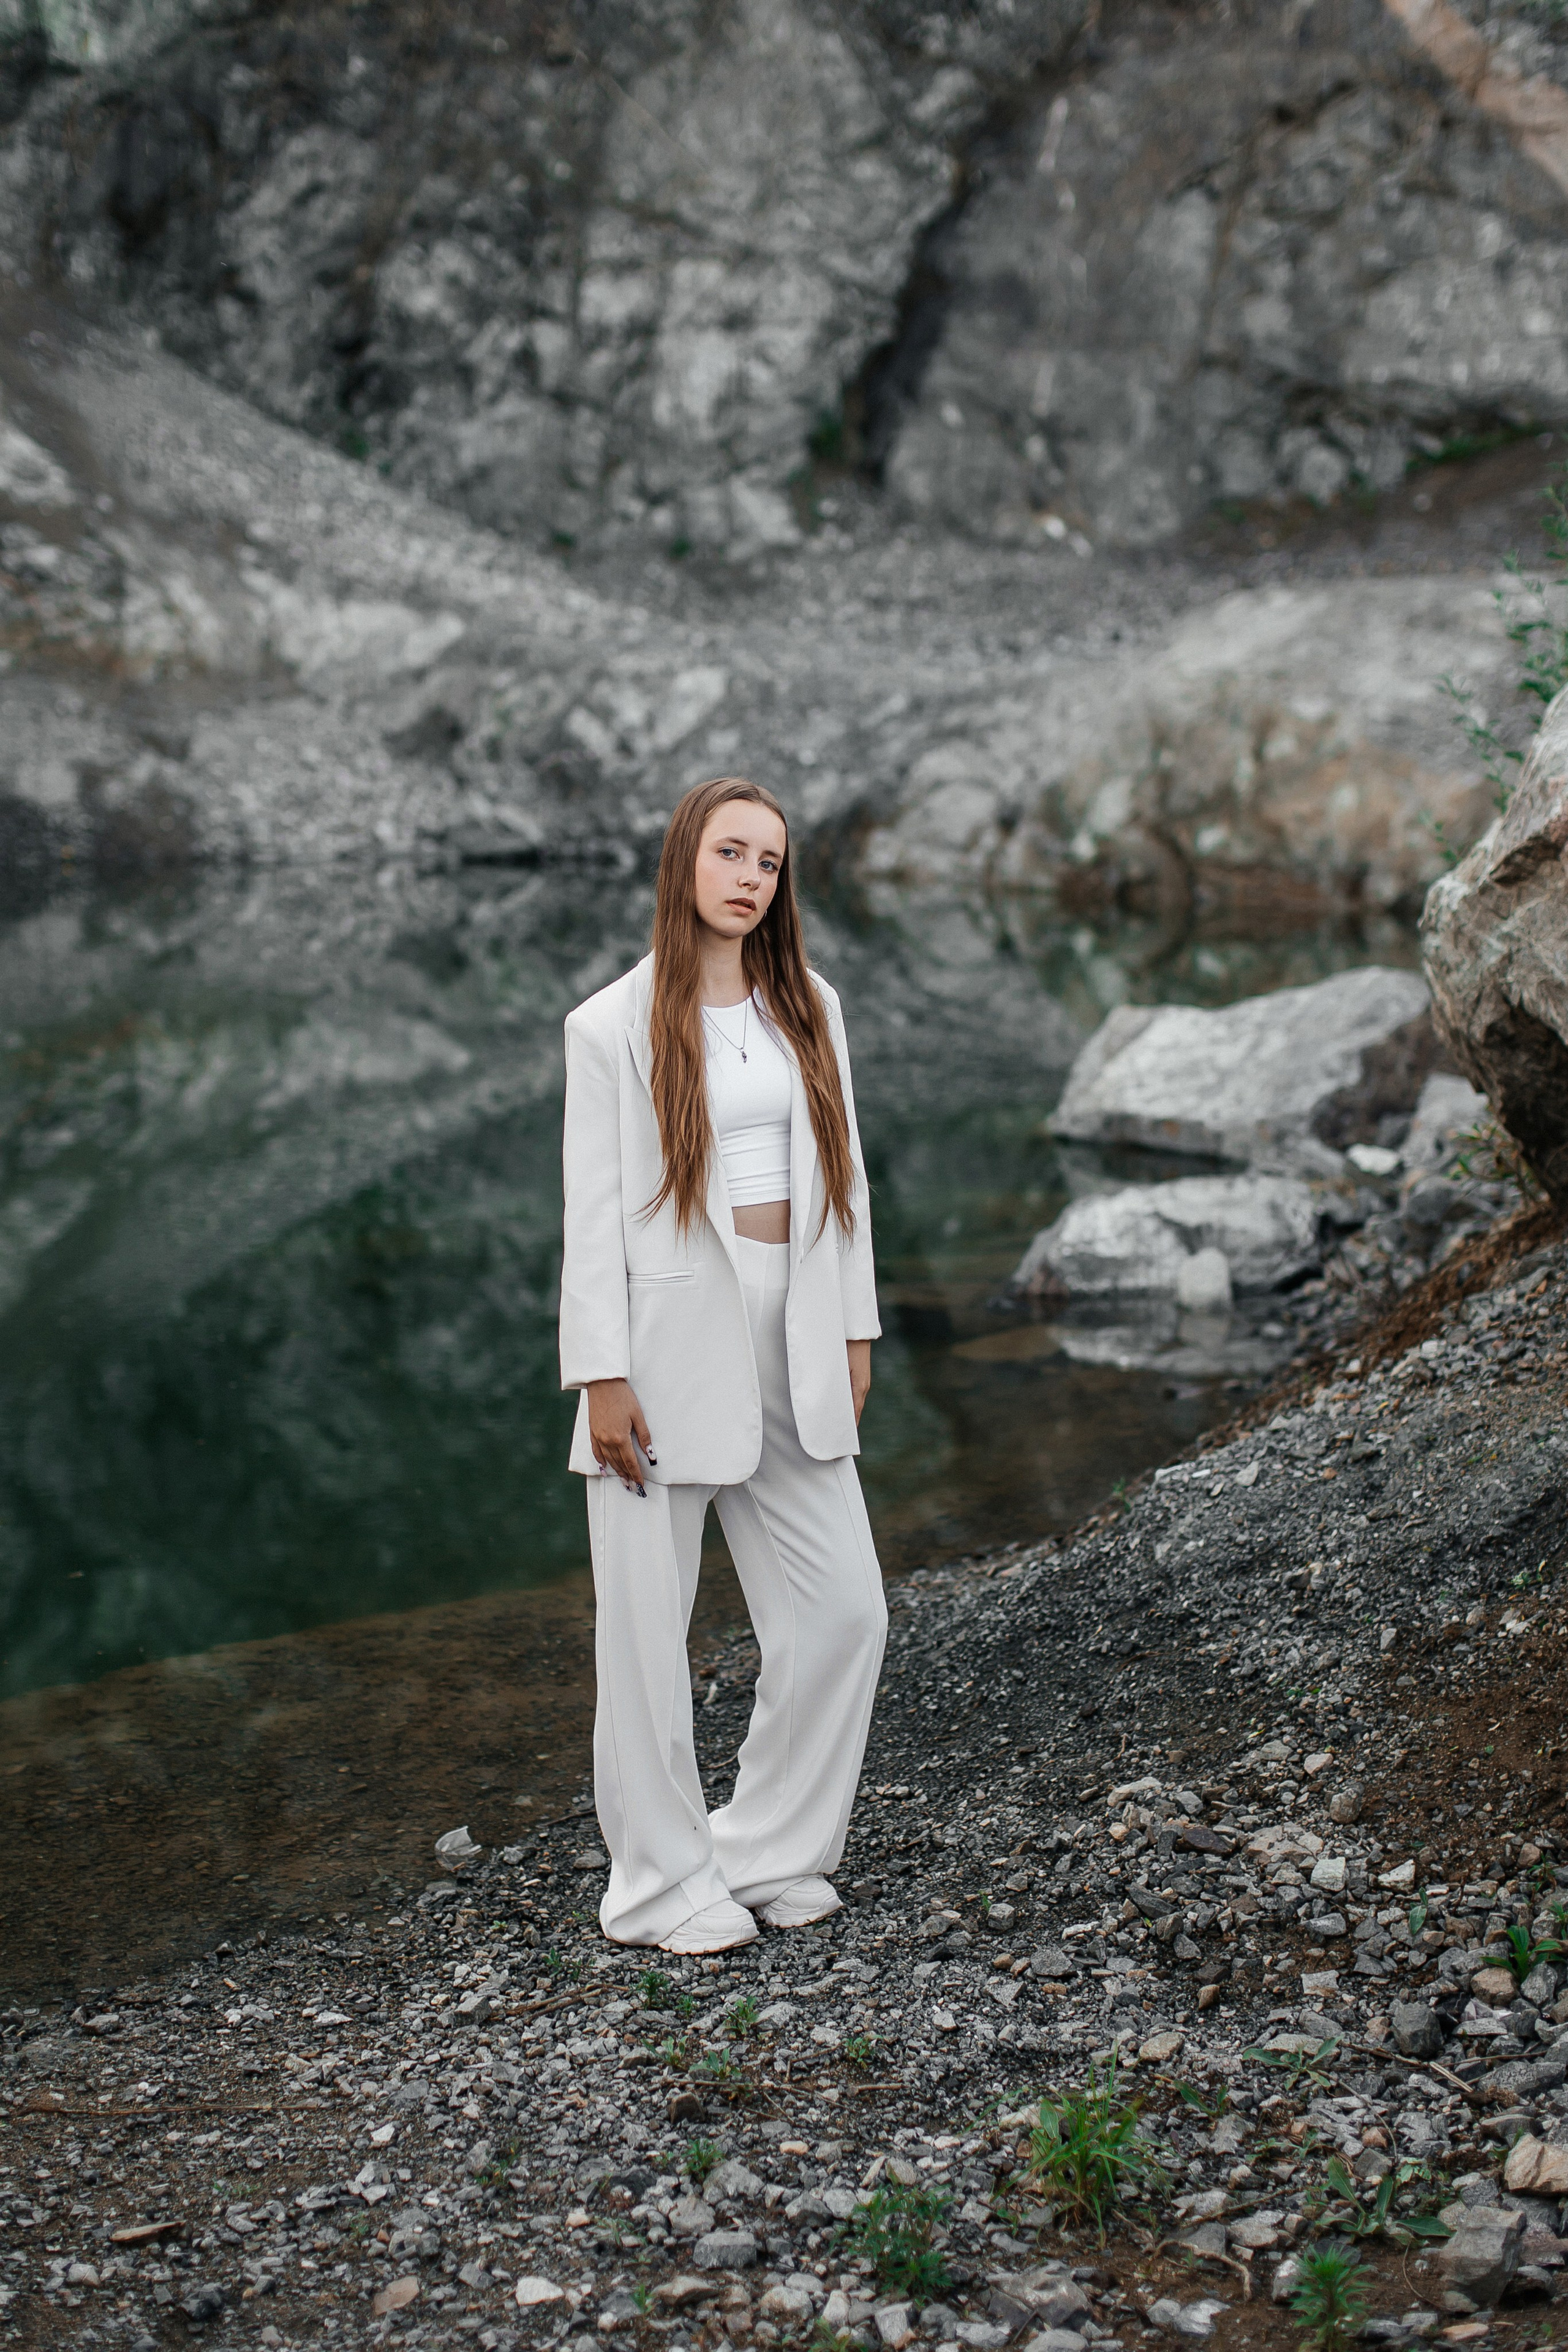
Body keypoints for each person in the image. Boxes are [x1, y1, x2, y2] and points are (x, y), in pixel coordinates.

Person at [558, 775, 887, 1953]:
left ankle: (764, 1850)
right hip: (661, 1347)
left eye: (770, 863)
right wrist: (599, 1376)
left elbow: (843, 1186)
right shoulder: (609, 1026)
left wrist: (854, 1328)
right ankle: (657, 1887)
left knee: (846, 1609)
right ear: (683, 863)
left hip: (794, 1327)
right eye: (732, 854)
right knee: (646, 1633)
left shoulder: (810, 1008)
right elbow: (590, 1216)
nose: (752, 879)